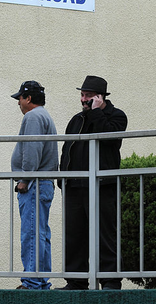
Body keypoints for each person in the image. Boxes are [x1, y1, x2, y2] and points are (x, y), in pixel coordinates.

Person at [57, 75, 127, 290]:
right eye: (82, 94)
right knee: (74, 235)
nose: (83, 99)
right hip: (75, 185)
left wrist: (96, 112)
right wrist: (64, 178)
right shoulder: (77, 119)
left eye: (88, 95)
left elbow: (110, 138)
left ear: (100, 97)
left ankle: (110, 281)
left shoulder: (116, 116)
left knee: (106, 234)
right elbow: (67, 148)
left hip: (102, 184)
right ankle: (76, 281)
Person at [10, 81, 58, 290]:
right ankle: (39, 280)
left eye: (20, 98)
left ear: (28, 98)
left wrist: (24, 180)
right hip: (43, 183)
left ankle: (32, 281)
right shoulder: (43, 115)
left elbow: (31, 150)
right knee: (41, 233)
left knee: (31, 232)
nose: (18, 103)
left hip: (34, 184)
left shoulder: (33, 117)